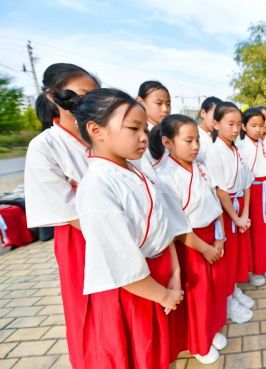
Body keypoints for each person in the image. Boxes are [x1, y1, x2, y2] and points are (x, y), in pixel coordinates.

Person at [60, 87, 191, 367]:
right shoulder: (97, 185)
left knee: (158, 354)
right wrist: (165, 294)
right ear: (96, 130)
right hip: (135, 290)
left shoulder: (134, 170)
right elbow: (122, 264)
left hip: (160, 278)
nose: (144, 136)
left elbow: (162, 222)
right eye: (133, 128)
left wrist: (176, 273)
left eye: (145, 128)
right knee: (140, 355)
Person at [24, 63, 99, 368]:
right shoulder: (44, 146)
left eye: (94, 98)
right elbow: (65, 207)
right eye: (79, 95)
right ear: (52, 96)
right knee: (91, 310)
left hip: (124, 231)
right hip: (82, 237)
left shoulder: (99, 137)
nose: (87, 106)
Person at [154, 115, 228, 364]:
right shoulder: (164, 177)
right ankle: (198, 343)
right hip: (191, 244)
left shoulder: (201, 168)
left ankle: (211, 328)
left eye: (197, 139)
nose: (196, 146)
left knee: (214, 291)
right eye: (188, 140)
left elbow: (214, 203)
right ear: (167, 142)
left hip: (212, 238)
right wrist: (205, 248)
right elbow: (177, 226)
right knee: (197, 296)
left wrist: (219, 237)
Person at [205, 102, 255, 323]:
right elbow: (220, 190)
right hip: (224, 213)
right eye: (230, 124)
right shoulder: (214, 152)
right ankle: (226, 302)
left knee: (235, 256)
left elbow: (246, 182)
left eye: (238, 124)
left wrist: (244, 213)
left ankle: (232, 290)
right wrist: (235, 217)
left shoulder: (237, 150)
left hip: (237, 209)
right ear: (216, 124)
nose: (235, 129)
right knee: (225, 259)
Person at [238, 107, 266, 287]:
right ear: (244, 126)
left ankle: (265, 264)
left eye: (261, 125)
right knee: (255, 232)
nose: (258, 129)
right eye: (253, 125)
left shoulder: (263, 143)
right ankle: (255, 269)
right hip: (252, 191)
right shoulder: (241, 147)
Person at [132, 81, 171, 177]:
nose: (165, 109)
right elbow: (149, 177)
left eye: (168, 104)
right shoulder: (136, 136)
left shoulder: (171, 132)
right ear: (140, 102)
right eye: (159, 103)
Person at [196, 96, 222, 164]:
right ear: (203, 113)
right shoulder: (195, 135)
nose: (217, 120)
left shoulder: (220, 136)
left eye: (220, 117)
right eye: (214, 115)